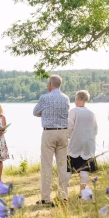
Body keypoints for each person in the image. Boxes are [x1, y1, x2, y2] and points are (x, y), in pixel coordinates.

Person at [32, 74, 70, 205]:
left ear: (50, 84)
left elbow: (35, 112)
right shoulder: (66, 98)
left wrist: (45, 113)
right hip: (63, 132)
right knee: (62, 166)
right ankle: (63, 196)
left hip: (49, 133)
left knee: (46, 165)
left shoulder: (44, 98)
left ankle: (45, 198)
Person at [66, 90, 98, 194]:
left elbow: (69, 127)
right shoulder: (92, 112)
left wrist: (69, 137)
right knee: (84, 169)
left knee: (68, 168)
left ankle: (63, 192)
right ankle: (83, 193)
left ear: (77, 99)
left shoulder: (73, 111)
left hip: (75, 142)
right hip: (87, 144)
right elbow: (95, 130)